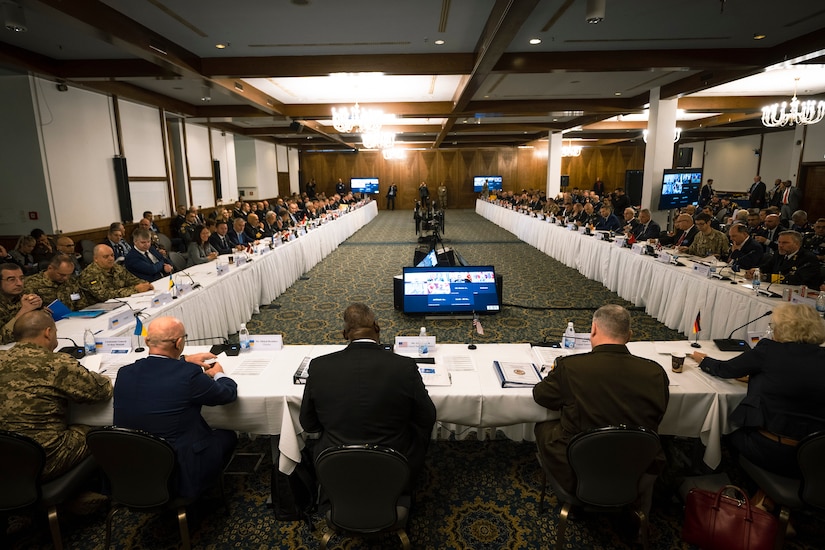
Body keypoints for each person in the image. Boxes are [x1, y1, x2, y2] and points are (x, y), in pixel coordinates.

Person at [532, 305, 669, 494]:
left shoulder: (571, 367)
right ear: (629, 335)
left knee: (543, 426)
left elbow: (541, 395)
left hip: (578, 466)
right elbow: (659, 415)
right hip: (636, 465)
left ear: (593, 329)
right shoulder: (655, 372)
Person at [299, 303, 436, 484]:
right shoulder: (404, 366)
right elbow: (427, 417)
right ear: (377, 328)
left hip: (335, 463)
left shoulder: (319, 367)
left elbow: (309, 424)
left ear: (345, 334)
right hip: (395, 461)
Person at [691, 304, 825, 477]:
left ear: (782, 328)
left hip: (771, 450)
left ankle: (713, 473)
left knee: (721, 427)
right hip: (815, 454)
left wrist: (703, 360)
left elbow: (725, 370)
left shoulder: (769, 350)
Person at [113, 317, 237, 498]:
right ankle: (204, 491)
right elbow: (227, 395)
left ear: (147, 341)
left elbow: (159, 372)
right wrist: (219, 374)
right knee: (228, 436)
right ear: (179, 343)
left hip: (131, 466)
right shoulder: (189, 376)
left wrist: (183, 360)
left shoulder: (124, 373)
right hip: (178, 471)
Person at [0, 311, 112, 480]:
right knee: (101, 432)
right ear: (48, 332)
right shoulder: (56, 363)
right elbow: (101, 391)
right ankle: (93, 492)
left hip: (4, 458)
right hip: (45, 459)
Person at [79, 244, 153, 303]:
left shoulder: (116, 267)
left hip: (121, 302)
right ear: (96, 259)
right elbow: (104, 295)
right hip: (100, 308)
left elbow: (132, 279)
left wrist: (145, 285)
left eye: (112, 255)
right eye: (106, 256)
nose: (111, 259)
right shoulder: (89, 274)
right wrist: (135, 289)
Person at [749, 230, 822, 288]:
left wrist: (765, 277)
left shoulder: (808, 258)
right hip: (778, 288)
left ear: (797, 244)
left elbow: (797, 279)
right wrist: (755, 271)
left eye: (785, 243)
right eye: (779, 242)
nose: (780, 245)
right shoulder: (779, 253)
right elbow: (768, 266)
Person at [23, 253, 90, 311]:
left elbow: (81, 302)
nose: (66, 278)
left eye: (69, 274)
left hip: (73, 318)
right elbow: (29, 309)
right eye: (61, 274)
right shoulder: (32, 283)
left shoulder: (71, 281)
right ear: (50, 268)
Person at [0, 263, 43, 344]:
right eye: (11, 279)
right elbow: (1, 338)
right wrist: (24, 311)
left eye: (21, 278)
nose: (19, 283)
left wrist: (39, 309)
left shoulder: (22, 295)